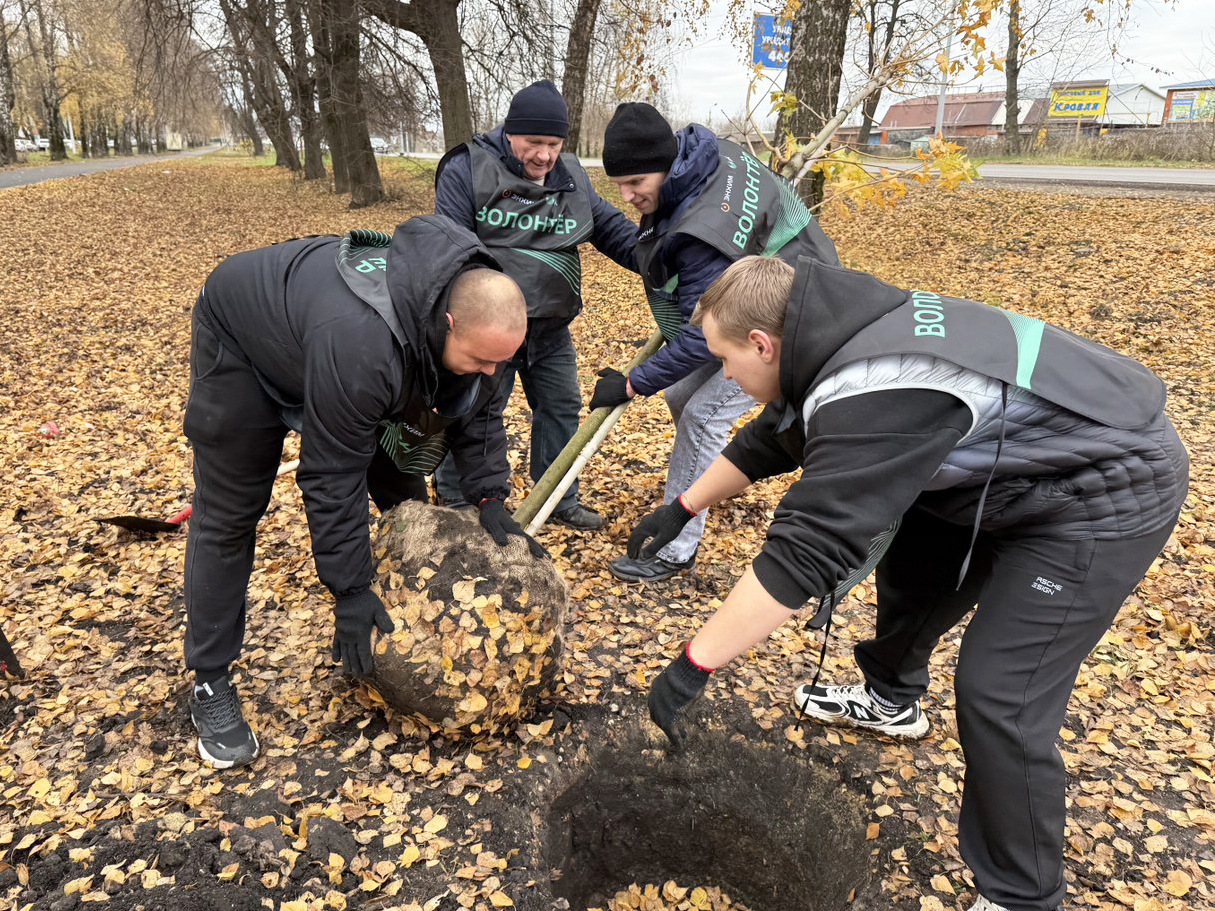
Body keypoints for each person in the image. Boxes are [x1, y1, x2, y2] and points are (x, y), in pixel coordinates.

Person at [636, 256, 1188, 911]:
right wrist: (683, 507)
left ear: (761, 344)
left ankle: (1022, 894)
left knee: (1000, 692)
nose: (724, 375)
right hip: (999, 472)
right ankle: (891, 698)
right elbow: (774, 437)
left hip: (1103, 490)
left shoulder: (879, 387)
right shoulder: (832, 330)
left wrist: (694, 663)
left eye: (724, 360)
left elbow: (805, 550)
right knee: (913, 575)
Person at [183, 215, 540, 770]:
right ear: (446, 323)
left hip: (334, 345)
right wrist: (348, 589)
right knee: (231, 515)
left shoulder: (485, 327)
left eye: (501, 360)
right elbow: (331, 474)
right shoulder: (362, 344)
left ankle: (404, 611)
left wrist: (490, 495)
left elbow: (482, 411)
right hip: (245, 339)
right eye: (480, 359)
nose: (492, 371)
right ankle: (209, 680)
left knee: (404, 494)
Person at [594, 103, 839, 582]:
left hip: (793, 318)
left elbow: (701, 338)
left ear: (665, 164)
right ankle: (711, 481)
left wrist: (630, 383)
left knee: (703, 415)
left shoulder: (701, 231)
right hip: (768, 290)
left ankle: (674, 548)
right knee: (680, 395)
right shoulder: (710, 154)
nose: (627, 196)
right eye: (617, 185)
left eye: (636, 182)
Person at [431, 79, 638, 530]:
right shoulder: (467, 168)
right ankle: (456, 499)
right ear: (510, 133)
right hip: (490, 326)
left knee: (561, 406)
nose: (544, 155)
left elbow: (610, 228)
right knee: (475, 408)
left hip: (549, 326)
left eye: (554, 144)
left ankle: (557, 495)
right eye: (533, 142)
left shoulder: (569, 175)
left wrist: (659, 259)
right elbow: (448, 247)